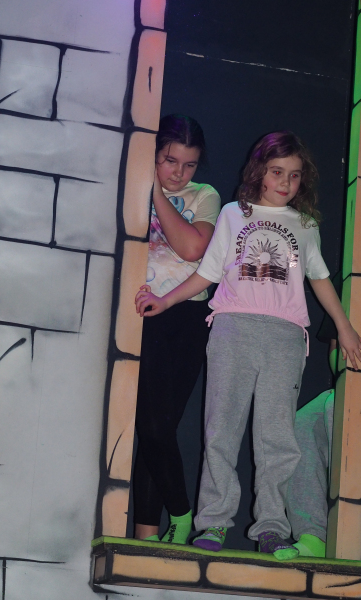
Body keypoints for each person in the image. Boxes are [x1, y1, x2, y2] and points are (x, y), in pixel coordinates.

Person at [135, 131, 361, 560]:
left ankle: (272, 528)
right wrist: (165, 300)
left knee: (276, 438)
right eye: (277, 172)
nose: (285, 182)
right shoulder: (233, 214)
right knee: (221, 430)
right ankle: (213, 523)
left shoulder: (305, 225)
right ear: (260, 172)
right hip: (233, 329)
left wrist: (345, 327)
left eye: (295, 175)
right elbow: (207, 273)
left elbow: (320, 278)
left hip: (285, 336)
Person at [132, 114, 220, 545]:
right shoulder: (130, 185)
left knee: (159, 427)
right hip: (140, 312)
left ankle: (167, 524)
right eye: (169, 161)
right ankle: (158, 530)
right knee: (149, 428)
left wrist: (156, 192)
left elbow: (192, 247)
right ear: (154, 154)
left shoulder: (204, 195)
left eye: (189, 164)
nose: (178, 173)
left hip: (186, 317)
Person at [286, 272, 341, 558]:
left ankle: (347, 529)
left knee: (333, 411)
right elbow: (335, 349)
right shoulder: (350, 283)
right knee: (301, 424)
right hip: (351, 385)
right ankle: (313, 535)